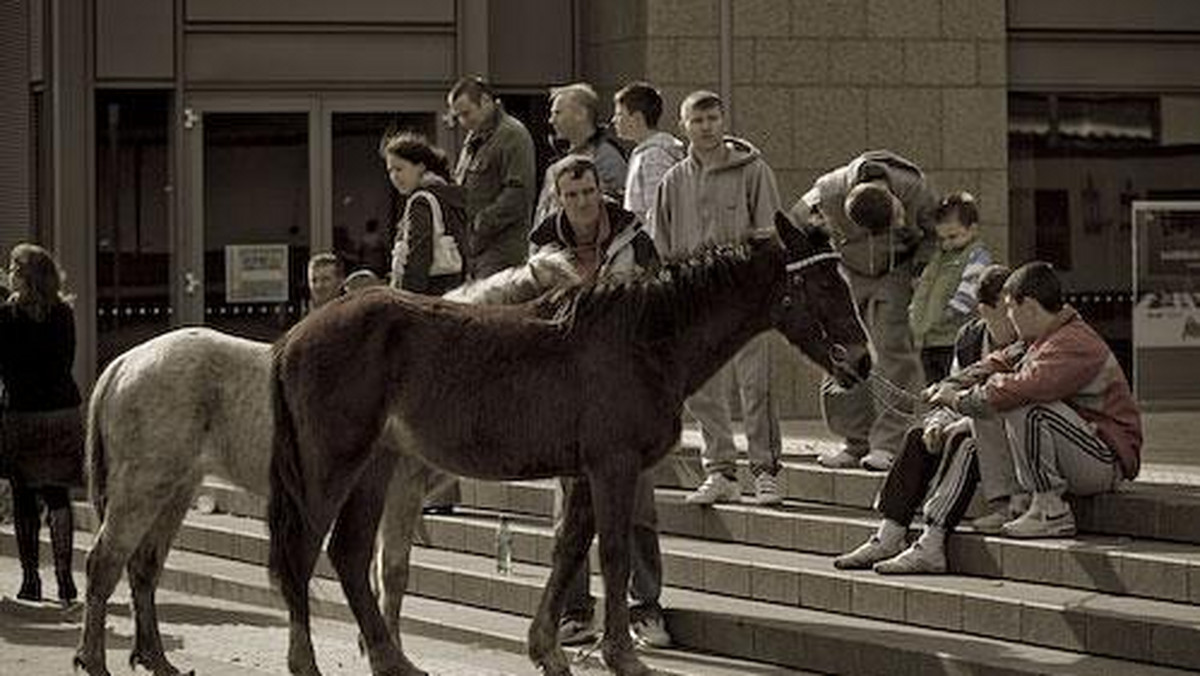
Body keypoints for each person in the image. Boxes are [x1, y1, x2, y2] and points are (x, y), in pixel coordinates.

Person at [529, 156, 669, 649]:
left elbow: (660, 312)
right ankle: (573, 611)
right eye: (572, 195)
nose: (583, 202)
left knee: (636, 506)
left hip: (628, 394)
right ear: (558, 198)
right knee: (571, 508)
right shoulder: (543, 249)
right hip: (568, 398)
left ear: (600, 189)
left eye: (588, 192)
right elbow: (533, 321)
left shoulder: (636, 239)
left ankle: (645, 607)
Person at [927, 261, 1142, 538]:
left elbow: (1025, 387)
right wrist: (948, 385)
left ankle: (1052, 511)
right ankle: (1011, 505)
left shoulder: (1072, 341)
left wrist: (957, 400)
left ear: (1027, 306)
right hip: (1080, 452)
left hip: (1104, 461)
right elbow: (995, 362)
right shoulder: (1039, 337)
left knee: (1023, 404)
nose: (1009, 317)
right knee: (989, 402)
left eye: (1010, 308)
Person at [834, 265, 1020, 574]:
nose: (1013, 319)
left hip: (1004, 439)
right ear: (984, 310)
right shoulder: (971, 338)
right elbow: (952, 388)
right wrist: (937, 422)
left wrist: (959, 416)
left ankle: (932, 540)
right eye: (1005, 310)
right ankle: (889, 533)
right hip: (972, 421)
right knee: (919, 435)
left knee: (965, 440)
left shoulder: (1027, 341)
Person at [654, 90, 785, 506]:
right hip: (696, 303)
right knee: (702, 389)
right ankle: (721, 471)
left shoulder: (753, 170)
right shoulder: (672, 181)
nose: (706, 126)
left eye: (713, 118)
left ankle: (765, 471)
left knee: (755, 386)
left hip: (746, 298)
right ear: (684, 126)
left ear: (723, 121)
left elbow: (768, 234)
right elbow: (664, 248)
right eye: (698, 120)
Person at [790, 150, 940, 472]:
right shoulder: (827, 190)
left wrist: (921, 273)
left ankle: (889, 443)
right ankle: (854, 441)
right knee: (843, 351)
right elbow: (794, 223)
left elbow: (935, 232)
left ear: (894, 199)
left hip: (897, 268)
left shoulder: (915, 188)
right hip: (848, 270)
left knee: (892, 350)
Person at [0, 244, 84, 604]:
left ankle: (31, 580)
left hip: (22, 413)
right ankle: (66, 580)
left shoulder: (6, 316)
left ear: (23, 275)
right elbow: (68, 359)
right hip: (62, 411)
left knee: (23, 497)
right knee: (58, 494)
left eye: (12, 269)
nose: (8, 274)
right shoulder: (64, 313)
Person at [447, 76, 538, 279]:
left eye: (467, 113)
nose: (463, 121)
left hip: (501, 251)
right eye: (458, 116)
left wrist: (479, 226)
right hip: (475, 251)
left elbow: (518, 195)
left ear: (486, 101)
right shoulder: (474, 138)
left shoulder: (512, 135)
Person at [909, 192, 993, 384]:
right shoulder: (939, 258)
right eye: (942, 238)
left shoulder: (976, 255)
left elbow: (969, 292)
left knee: (955, 387)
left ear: (972, 229)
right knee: (934, 388)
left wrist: (946, 314)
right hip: (930, 339)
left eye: (953, 237)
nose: (947, 243)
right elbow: (924, 289)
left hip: (955, 339)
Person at [382, 131, 469, 296]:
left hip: (428, 299)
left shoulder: (421, 202)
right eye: (390, 171)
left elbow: (418, 258)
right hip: (455, 292)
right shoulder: (449, 195)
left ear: (420, 166)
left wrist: (405, 301)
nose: (394, 177)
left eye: (399, 169)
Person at [534, 82, 628, 226]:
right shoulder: (558, 162)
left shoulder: (607, 159)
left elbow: (613, 214)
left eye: (557, 113)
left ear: (581, 114)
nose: (551, 120)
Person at [612, 81, 685, 240]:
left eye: (619, 114)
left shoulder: (654, 156)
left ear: (637, 118)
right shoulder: (645, 153)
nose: (613, 120)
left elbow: (657, 211)